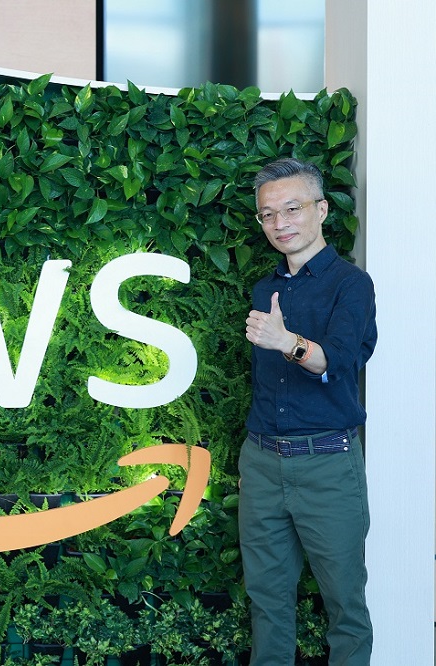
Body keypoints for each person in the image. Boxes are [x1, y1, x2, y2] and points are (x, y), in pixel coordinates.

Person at [240, 157, 376, 665]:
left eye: (292, 208)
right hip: (262, 463)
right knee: (267, 603)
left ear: (321, 210)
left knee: (345, 604)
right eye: (268, 214)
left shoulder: (351, 284)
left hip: (328, 465)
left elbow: (335, 362)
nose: (280, 223)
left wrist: (286, 341)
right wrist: (255, 458)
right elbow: (264, 382)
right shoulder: (265, 289)